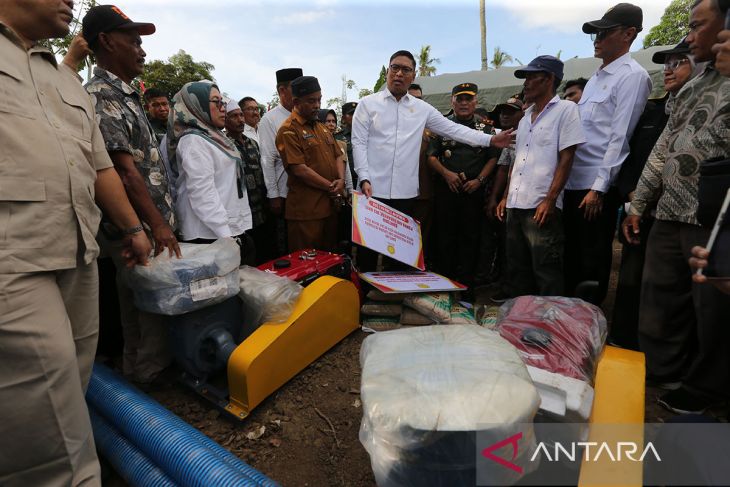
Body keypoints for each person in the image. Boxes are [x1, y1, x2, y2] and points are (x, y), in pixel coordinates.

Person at [0, 1, 151, 483]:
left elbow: (100, 166)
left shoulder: (65, 81)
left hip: (79, 252)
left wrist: (133, 230)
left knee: (62, 395)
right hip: (15, 262)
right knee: (58, 440)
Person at [622, 0, 730, 414]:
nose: (688, 36)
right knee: (659, 296)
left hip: (715, 215)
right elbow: (664, 147)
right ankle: (663, 369)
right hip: (669, 211)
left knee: (714, 306)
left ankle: (708, 388)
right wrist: (639, 202)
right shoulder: (693, 86)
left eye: (697, 26)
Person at [83, 4, 180, 385]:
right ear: (106, 42)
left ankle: (145, 372)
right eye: (133, 41)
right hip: (136, 229)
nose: (142, 50)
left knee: (148, 303)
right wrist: (156, 225)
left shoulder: (126, 94)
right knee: (142, 306)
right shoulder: (101, 95)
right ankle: (146, 379)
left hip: (148, 226)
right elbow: (123, 172)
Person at [352, 50, 513, 271]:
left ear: (413, 75)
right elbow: (359, 143)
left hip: (405, 194)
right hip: (371, 190)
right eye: (394, 68)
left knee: (397, 253)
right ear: (388, 70)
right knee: (367, 251)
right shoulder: (367, 105)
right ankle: (364, 298)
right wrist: (364, 178)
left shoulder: (422, 109)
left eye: (405, 70)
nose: (399, 73)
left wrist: (491, 139)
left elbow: (454, 130)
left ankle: (393, 297)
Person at [611, 40, 702, 349]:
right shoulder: (653, 111)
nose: (668, 70)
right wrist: (634, 195)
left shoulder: (707, 109)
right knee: (637, 284)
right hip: (642, 211)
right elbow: (633, 157)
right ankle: (626, 343)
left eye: (679, 62)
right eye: (666, 63)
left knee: (681, 294)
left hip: (689, 213)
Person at [562, 3, 652, 304]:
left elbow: (619, 137)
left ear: (628, 34)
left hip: (594, 186)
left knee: (592, 262)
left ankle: (587, 323)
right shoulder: (597, 78)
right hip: (574, 181)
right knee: (571, 258)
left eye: (604, 32)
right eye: (595, 33)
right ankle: (567, 323)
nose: (597, 38)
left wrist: (599, 188)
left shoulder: (632, 76)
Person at [497, 56, 586, 296]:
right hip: (516, 206)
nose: (525, 83)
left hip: (540, 206)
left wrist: (549, 199)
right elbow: (517, 161)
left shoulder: (566, 110)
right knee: (517, 271)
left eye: (530, 77)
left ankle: (548, 326)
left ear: (548, 79)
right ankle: (519, 323)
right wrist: (506, 196)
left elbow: (567, 158)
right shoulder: (525, 119)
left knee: (546, 272)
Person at [169, 81, 255, 264]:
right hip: (207, 234)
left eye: (222, 102)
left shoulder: (215, 137)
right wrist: (226, 234)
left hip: (224, 230)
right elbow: (203, 193)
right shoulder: (193, 140)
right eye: (216, 102)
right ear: (196, 105)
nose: (223, 108)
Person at [427, 82, 501, 291]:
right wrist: (447, 174)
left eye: (468, 99)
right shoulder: (441, 126)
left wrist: (480, 180)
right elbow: (431, 157)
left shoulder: (486, 128)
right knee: (445, 238)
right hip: (447, 189)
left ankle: (466, 288)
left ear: (476, 101)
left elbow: (493, 158)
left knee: (471, 238)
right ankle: (445, 286)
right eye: (459, 99)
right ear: (452, 101)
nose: (464, 103)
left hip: (473, 190)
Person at [276, 76, 345, 251]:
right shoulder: (288, 130)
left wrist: (341, 180)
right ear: (296, 101)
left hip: (329, 208)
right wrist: (331, 186)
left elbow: (338, 155)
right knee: (307, 263)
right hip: (306, 212)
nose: (317, 105)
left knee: (329, 257)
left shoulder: (321, 127)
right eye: (311, 101)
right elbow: (299, 170)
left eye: (319, 99)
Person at [224, 99, 276, 264]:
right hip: (240, 214)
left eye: (241, 115)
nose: (240, 119)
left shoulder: (252, 143)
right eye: (234, 116)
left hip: (261, 209)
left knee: (266, 252)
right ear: (224, 120)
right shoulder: (223, 145)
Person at [259, 68, 303, 255]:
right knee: (284, 245)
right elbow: (267, 159)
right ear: (282, 91)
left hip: (303, 191)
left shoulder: (304, 115)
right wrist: (273, 195)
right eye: (295, 88)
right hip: (283, 194)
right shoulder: (270, 120)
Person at [484, 95, 525, 297]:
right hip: (507, 200)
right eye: (502, 112)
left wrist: (502, 198)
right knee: (505, 243)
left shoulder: (526, 134)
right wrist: (495, 198)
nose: (504, 115)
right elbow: (503, 170)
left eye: (510, 112)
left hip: (528, 199)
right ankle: (504, 282)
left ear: (522, 113)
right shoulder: (508, 138)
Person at [336, 101, 358, 188]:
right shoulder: (338, 138)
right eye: (351, 114)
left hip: (366, 183)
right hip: (346, 183)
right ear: (343, 118)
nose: (355, 116)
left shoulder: (369, 135)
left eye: (357, 113)